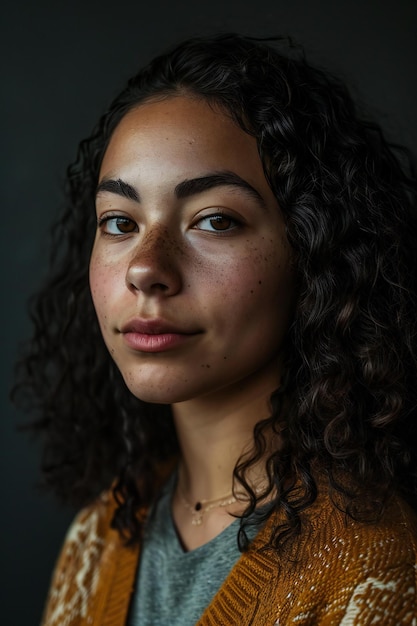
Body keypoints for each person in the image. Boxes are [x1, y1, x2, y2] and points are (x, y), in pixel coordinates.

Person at [14, 33, 417, 625]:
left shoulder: (378, 569)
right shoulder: (99, 535)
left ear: (313, 252)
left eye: (214, 220)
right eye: (120, 221)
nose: (147, 268)